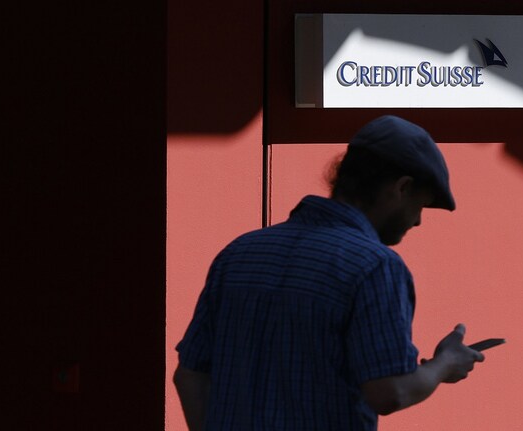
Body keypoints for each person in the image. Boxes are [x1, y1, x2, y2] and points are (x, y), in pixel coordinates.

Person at [174, 115, 485, 430]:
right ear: (401, 188)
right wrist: (444, 364)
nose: (417, 221)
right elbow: (389, 392)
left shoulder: (239, 254)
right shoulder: (375, 266)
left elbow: (189, 374)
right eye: (420, 205)